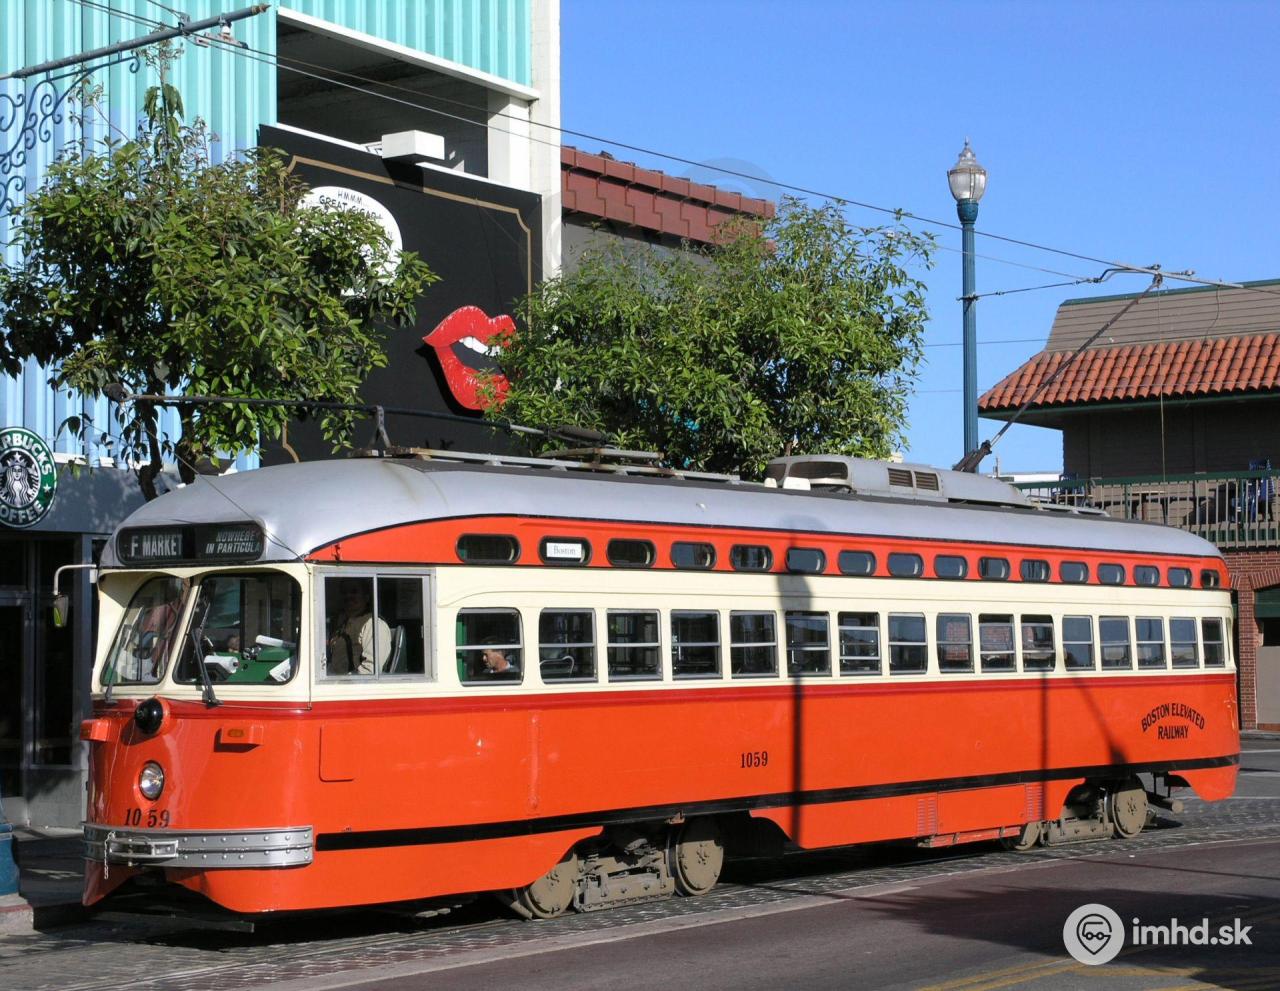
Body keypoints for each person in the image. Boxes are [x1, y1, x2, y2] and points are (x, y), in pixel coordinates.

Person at [326, 580, 390, 675]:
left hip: (351, 686)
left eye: (354, 592)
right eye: (344, 593)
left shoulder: (374, 625)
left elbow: (370, 670)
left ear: (366, 597)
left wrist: (343, 683)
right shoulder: (341, 626)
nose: (348, 596)